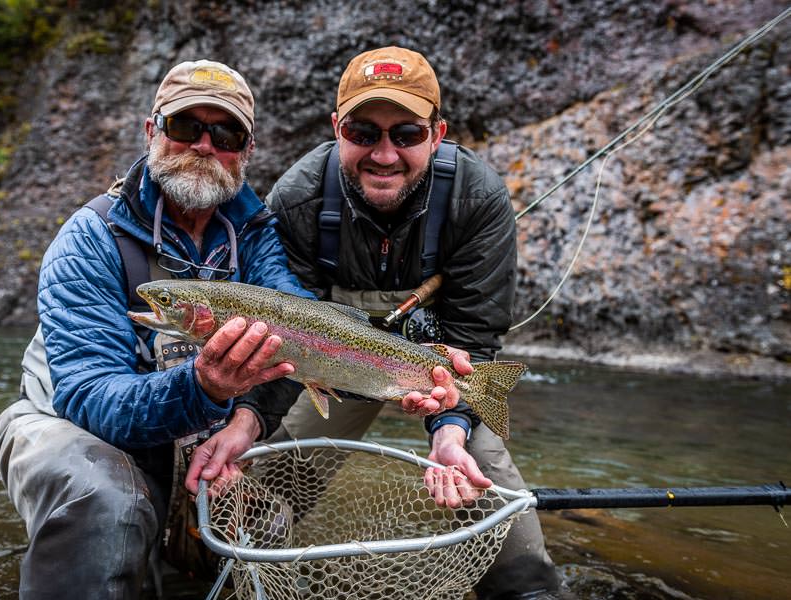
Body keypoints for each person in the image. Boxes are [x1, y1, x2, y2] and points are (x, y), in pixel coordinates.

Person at [0, 59, 464, 599]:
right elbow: (89, 398)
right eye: (186, 127)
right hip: (67, 426)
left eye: (227, 133)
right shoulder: (89, 239)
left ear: (247, 150)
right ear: (152, 132)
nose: (204, 146)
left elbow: (302, 338)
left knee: (263, 522)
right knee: (108, 504)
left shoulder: (257, 236)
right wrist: (204, 387)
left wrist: (246, 418)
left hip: (191, 424)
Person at [190, 47, 560, 599]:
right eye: (364, 131)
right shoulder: (297, 200)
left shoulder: (477, 198)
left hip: (436, 373)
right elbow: (280, 337)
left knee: (495, 507)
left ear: (437, 135)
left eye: (406, 134)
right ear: (337, 128)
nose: (384, 154)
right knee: (258, 495)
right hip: (332, 370)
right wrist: (246, 423)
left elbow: (474, 337)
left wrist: (450, 430)